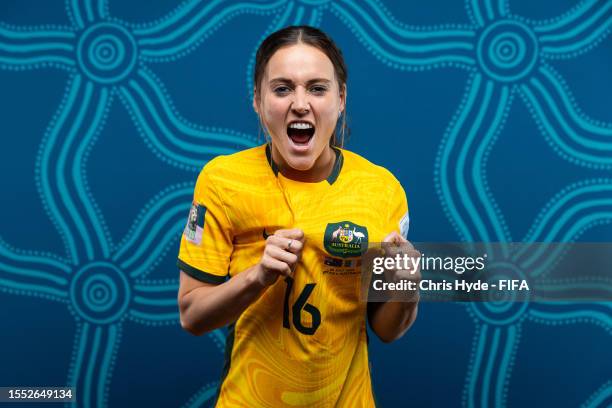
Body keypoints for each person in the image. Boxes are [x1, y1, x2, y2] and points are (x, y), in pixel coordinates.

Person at [177, 25, 420, 407]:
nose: (300, 103)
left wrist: (407, 288)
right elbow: (192, 315)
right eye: (283, 88)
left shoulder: (382, 190)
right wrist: (257, 277)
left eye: (317, 88)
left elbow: (386, 330)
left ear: (341, 99)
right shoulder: (221, 181)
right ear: (257, 100)